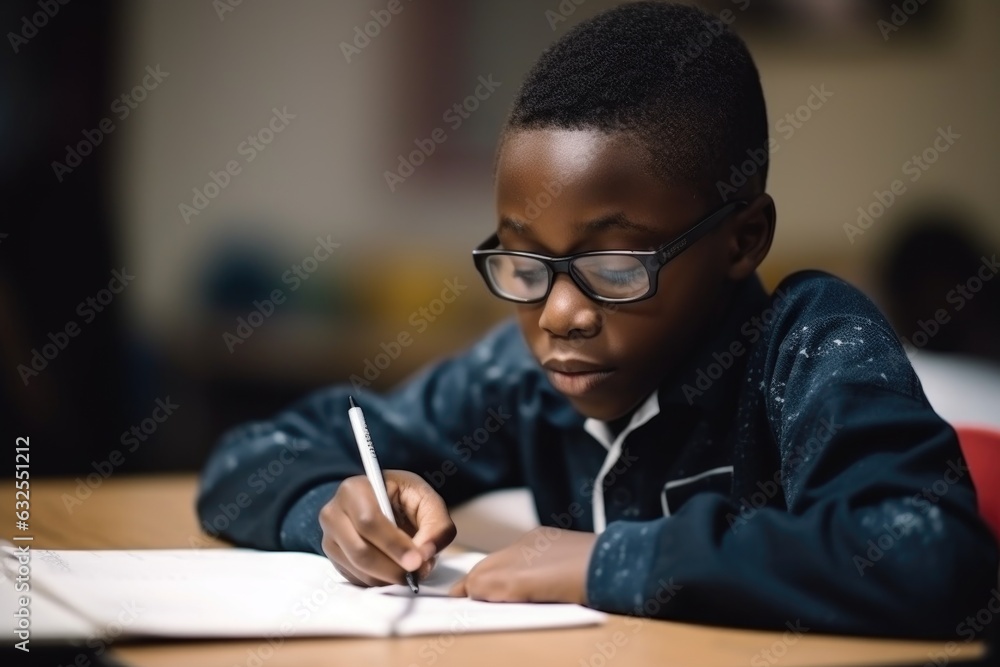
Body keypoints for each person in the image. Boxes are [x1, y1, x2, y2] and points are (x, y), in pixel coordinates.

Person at [197, 2, 996, 637]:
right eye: (525, 263)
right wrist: (331, 509)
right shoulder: (528, 378)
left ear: (742, 239)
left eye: (616, 267)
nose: (561, 313)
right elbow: (248, 457)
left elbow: (930, 554)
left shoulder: (806, 343)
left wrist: (613, 562)